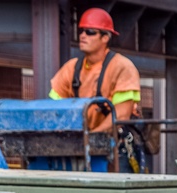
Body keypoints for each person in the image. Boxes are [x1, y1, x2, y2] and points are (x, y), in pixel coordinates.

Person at [49, 8, 148, 172]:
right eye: (81, 31)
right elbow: (54, 109)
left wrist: (90, 138)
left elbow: (121, 115)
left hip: (116, 149)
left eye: (89, 32)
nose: (82, 36)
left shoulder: (122, 67)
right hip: (79, 149)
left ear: (105, 37)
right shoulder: (71, 68)